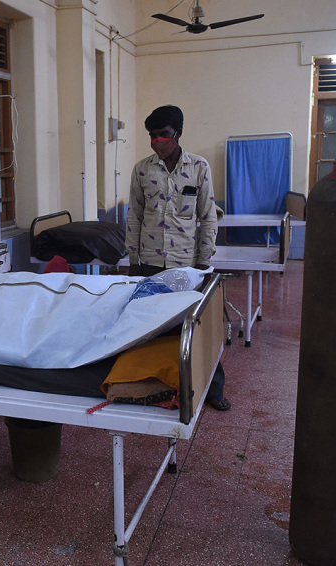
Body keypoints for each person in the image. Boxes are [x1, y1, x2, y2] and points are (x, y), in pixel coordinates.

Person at [125, 104, 231, 411]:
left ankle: (213, 387)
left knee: (197, 326)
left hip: (187, 264)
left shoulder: (198, 167)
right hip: (149, 262)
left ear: (178, 134)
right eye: (152, 135)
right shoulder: (142, 169)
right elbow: (134, 216)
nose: (157, 141)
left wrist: (202, 263)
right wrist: (133, 261)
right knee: (149, 325)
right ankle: (152, 384)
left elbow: (208, 217)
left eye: (164, 134)